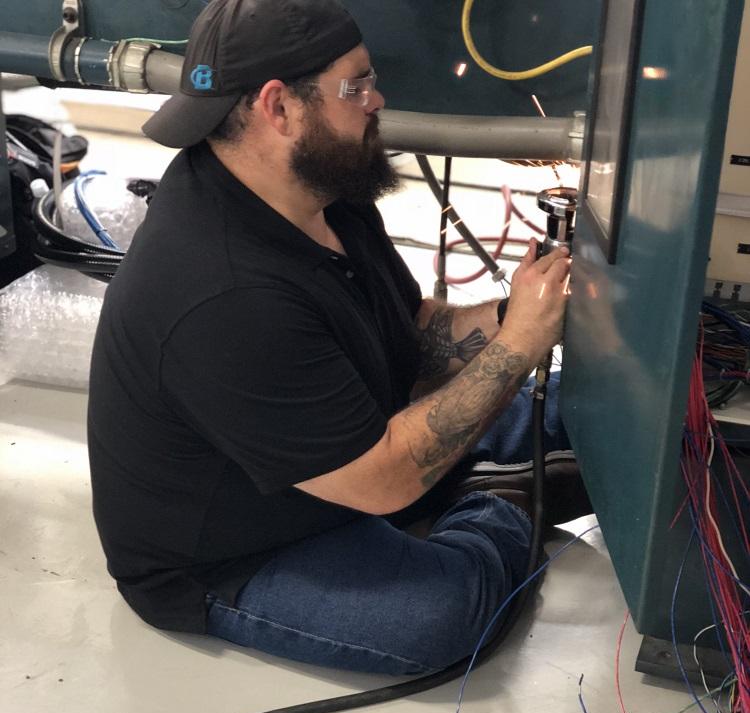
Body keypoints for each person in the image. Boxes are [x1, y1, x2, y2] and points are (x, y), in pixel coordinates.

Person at [87, 0, 589, 676]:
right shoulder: (224, 291)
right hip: (241, 549)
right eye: (357, 86)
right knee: (441, 615)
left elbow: (413, 333)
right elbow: (383, 480)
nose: (377, 99)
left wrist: (515, 315)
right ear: (279, 107)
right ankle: (500, 498)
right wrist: (519, 348)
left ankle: (487, 480)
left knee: (572, 408)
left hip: (349, 440)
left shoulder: (318, 189)